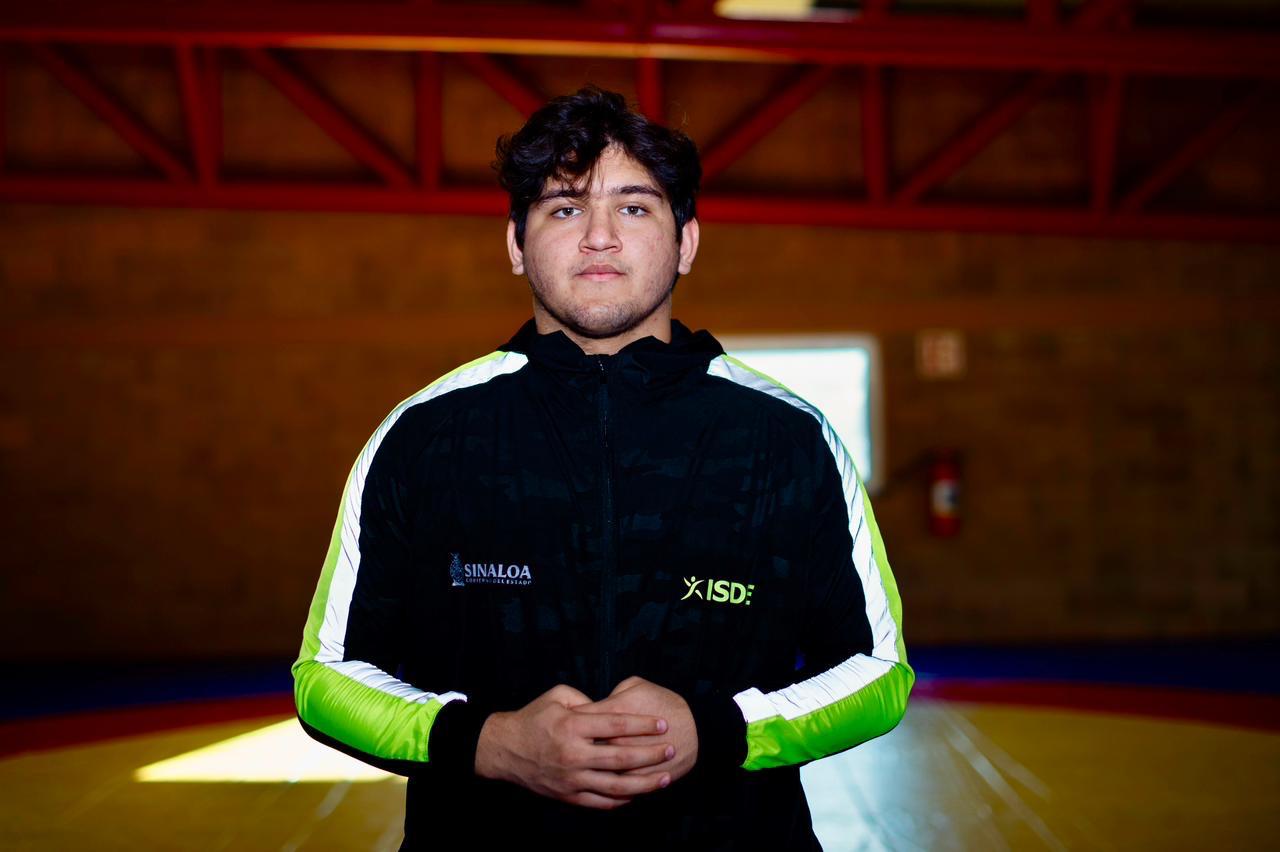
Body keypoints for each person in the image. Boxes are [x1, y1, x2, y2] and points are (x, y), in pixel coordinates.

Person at [293, 86, 912, 850]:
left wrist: (719, 731)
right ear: (515, 243)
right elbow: (326, 677)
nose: (598, 237)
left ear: (686, 241)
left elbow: (878, 671)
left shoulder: (788, 438)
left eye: (634, 207)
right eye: (563, 208)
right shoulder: (422, 435)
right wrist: (487, 743)